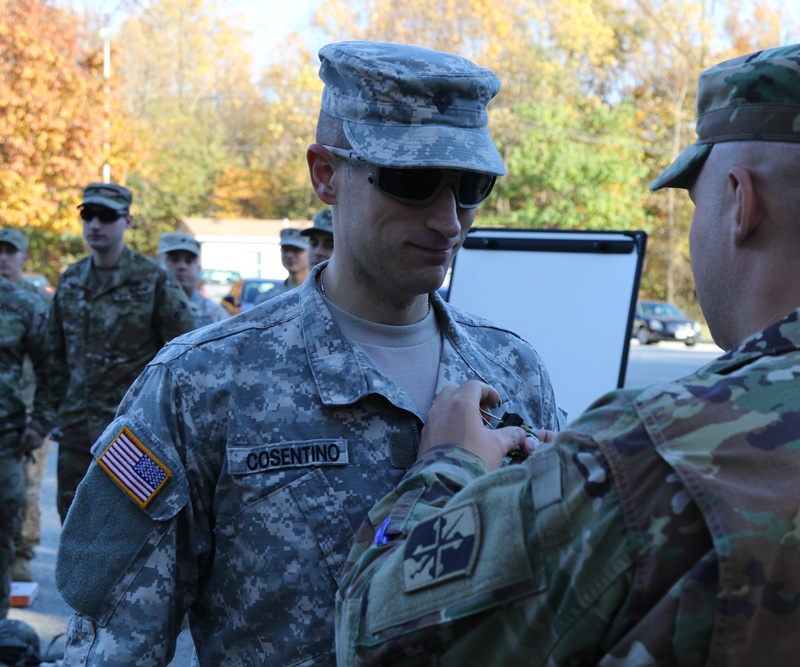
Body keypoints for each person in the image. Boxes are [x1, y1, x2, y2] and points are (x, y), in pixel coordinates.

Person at [335, 32, 800, 665]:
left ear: (741, 203)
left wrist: (447, 465)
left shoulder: (650, 458)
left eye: (697, 197)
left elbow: (374, 634)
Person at [55, 41, 564, 666]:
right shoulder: (203, 381)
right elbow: (112, 646)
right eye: (413, 181)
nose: (448, 221)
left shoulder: (513, 369)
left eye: (471, 187)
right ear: (325, 174)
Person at [46, 183, 194, 522]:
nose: (95, 224)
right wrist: (58, 407)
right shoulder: (70, 281)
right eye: (88, 215)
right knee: (72, 522)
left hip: (134, 434)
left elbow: (182, 357)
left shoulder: (155, 280)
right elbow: (54, 354)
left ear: (127, 221)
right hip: (77, 432)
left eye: (106, 216)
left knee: (134, 527)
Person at [0, 228, 53, 583]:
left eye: (10, 251)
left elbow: (52, 365)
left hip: (25, 415)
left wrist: (41, 418)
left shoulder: (35, 302)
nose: (3, 258)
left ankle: (22, 552)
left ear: (23, 257)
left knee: (28, 489)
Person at [158, 232, 229, 328]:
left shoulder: (216, 316)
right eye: (174, 259)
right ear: (158, 264)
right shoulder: (143, 308)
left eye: (189, 261)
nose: (182, 266)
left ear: (199, 269)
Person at [255, 227, 309, 304]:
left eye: (296, 249)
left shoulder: (322, 294)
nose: (289, 255)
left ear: (310, 251)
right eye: (285, 249)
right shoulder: (267, 299)